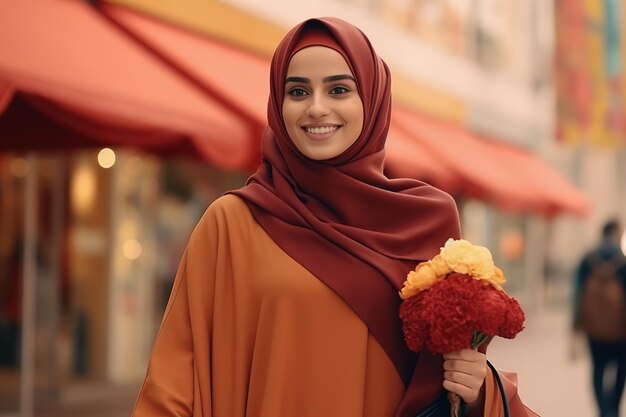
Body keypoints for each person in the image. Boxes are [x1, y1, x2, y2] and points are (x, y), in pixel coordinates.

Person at [132, 17, 537, 417]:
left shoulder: (425, 221)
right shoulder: (232, 223)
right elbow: (174, 384)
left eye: (339, 89)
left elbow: (441, 381)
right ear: (278, 103)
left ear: (373, 100)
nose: (316, 108)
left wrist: (478, 389)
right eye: (298, 91)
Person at [574, 219, 626, 417]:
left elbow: (577, 293)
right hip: (622, 329)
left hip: (594, 327)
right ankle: (614, 409)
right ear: (617, 233)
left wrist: (576, 324)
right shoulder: (624, 259)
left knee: (598, 369)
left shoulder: (588, 259)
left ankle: (603, 411)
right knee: (621, 371)